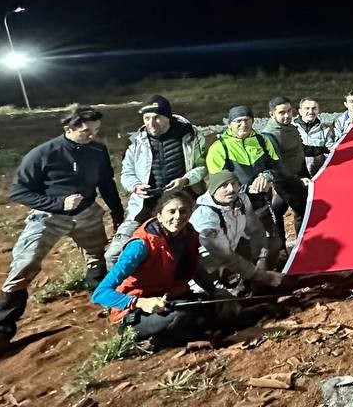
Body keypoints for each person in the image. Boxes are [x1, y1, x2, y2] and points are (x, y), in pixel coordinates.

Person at [0, 107, 125, 358]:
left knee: (97, 255)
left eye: (96, 131)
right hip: (49, 217)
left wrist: (116, 211)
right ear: (69, 129)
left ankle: (100, 298)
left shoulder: (97, 151)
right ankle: (0, 330)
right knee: (25, 263)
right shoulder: (43, 154)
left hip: (88, 213)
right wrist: (58, 204)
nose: (92, 135)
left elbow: (106, 182)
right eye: (86, 131)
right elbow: (19, 191)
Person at [91, 189, 231, 349]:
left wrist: (214, 291)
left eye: (183, 211)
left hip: (170, 299)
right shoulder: (140, 245)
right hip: (135, 311)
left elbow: (194, 268)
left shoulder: (188, 234)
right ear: (159, 216)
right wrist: (140, 302)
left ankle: (193, 332)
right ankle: (153, 343)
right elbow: (100, 293)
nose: (178, 217)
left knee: (214, 307)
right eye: (171, 211)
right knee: (181, 316)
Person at [106, 95, 208, 269]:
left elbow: (202, 167)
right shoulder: (136, 142)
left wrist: (185, 180)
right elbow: (127, 172)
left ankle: (192, 286)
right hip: (145, 204)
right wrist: (135, 186)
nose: (151, 123)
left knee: (196, 248)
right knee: (114, 254)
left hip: (184, 201)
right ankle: (121, 291)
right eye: (146, 118)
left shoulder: (191, 136)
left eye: (156, 118)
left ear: (167, 116)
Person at [205, 106, 283, 257]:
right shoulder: (219, 147)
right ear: (230, 124)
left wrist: (266, 176)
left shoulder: (262, 140)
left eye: (247, 120)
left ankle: (271, 268)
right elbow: (218, 186)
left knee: (271, 239)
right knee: (242, 246)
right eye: (238, 121)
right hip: (236, 210)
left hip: (262, 203)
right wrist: (247, 189)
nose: (243, 124)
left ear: (253, 121)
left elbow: (277, 166)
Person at [190, 171, 283, 288]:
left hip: (233, 251)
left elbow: (256, 230)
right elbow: (224, 255)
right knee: (224, 300)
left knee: (273, 243)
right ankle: (221, 287)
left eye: (234, 183)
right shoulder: (205, 215)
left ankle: (253, 285)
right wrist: (260, 274)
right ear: (213, 190)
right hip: (208, 265)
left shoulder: (241, 200)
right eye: (224, 185)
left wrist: (262, 258)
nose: (231, 189)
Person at [263, 97, 314, 249]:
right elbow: (277, 164)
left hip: (300, 174)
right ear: (272, 114)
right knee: (304, 212)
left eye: (289, 111)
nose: (287, 115)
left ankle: (284, 242)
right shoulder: (269, 135)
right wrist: (298, 180)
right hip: (287, 181)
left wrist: (324, 149)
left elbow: (300, 149)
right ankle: (302, 247)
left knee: (279, 208)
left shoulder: (290, 127)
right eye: (281, 113)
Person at [294, 98, 336, 177]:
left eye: (314, 108)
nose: (310, 112)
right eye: (307, 108)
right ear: (300, 111)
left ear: (318, 110)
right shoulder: (291, 129)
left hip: (318, 176)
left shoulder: (325, 130)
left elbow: (331, 154)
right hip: (296, 178)